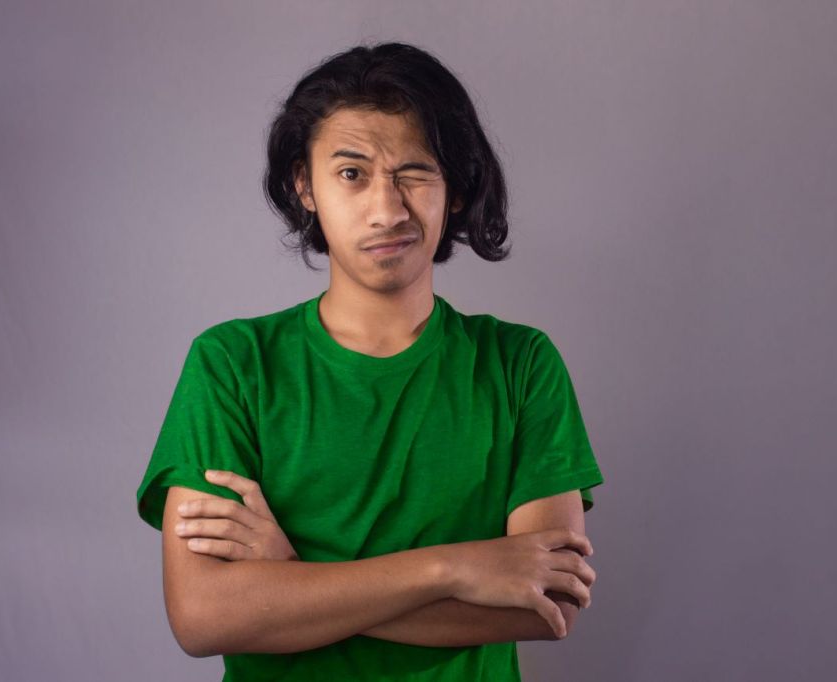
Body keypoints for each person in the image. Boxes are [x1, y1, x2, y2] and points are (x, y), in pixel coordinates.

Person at [135, 41, 604, 681]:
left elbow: (547, 605)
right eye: (351, 173)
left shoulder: (519, 363)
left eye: (414, 173)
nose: (387, 209)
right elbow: (203, 616)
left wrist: (292, 581)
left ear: (457, 188)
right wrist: (455, 568)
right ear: (305, 185)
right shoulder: (232, 364)